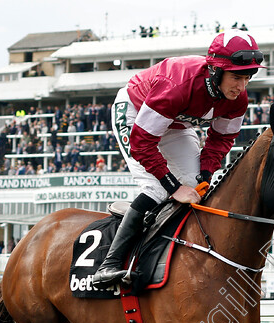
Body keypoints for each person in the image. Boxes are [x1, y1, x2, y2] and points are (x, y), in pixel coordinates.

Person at [92, 30, 264, 288]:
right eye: (236, 77)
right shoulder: (178, 85)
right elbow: (142, 143)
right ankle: (109, 264)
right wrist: (174, 187)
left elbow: (220, 141)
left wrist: (205, 176)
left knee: (198, 187)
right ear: (215, 71)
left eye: (247, 78)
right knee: (157, 188)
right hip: (135, 113)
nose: (241, 87)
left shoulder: (237, 99)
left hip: (175, 123)